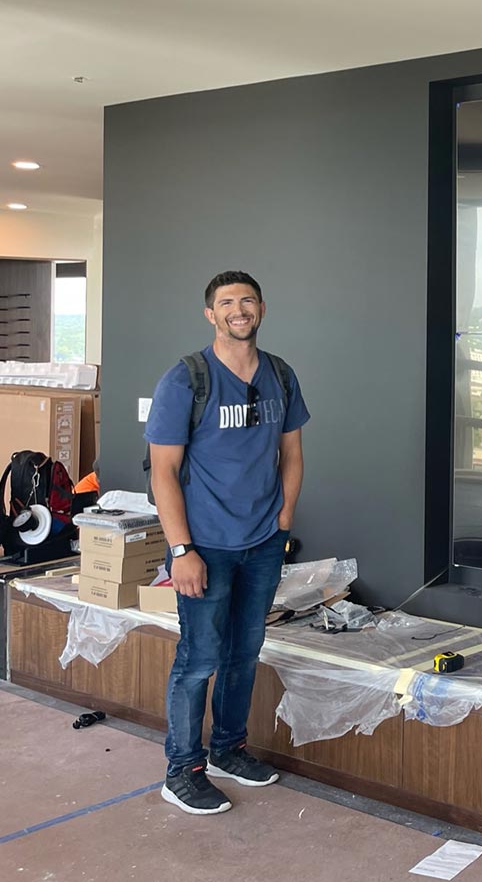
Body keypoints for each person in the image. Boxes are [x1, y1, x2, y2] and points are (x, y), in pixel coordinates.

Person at [145, 271, 310, 815]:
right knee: (199, 659)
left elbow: (292, 454)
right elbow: (163, 473)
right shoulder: (185, 380)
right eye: (225, 303)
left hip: (262, 543)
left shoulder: (280, 375)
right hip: (205, 546)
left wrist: (281, 523)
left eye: (246, 301)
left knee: (245, 652)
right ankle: (182, 770)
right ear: (209, 315)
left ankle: (228, 750)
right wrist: (180, 550)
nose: (238, 310)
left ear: (261, 307)